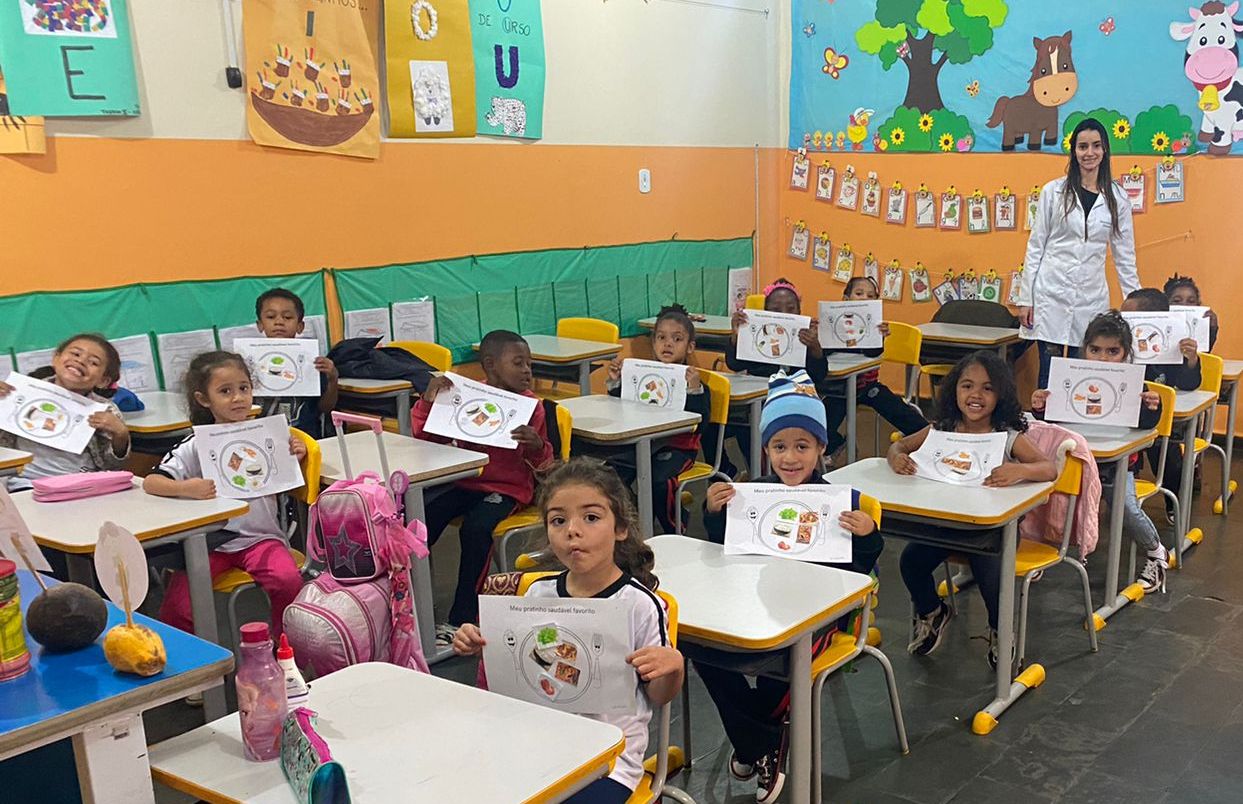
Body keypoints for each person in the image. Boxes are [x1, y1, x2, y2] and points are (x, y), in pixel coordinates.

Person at [696, 370, 881, 803]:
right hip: (759, 605)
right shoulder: (752, 493)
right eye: (779, 446)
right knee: (701, 650)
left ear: (821, 449)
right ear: (766, 450)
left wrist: (868, 533)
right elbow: (724, 547)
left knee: (784, 664)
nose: (790, 457)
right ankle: (759, 742)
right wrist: (714, 513)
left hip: (822, 616)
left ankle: (756, 744)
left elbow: (861, 568)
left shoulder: (843, 502)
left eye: (802, 446)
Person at [452, 458, 683, 804]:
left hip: (609, 761)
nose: (572, 531)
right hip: (538, 745)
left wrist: (673, 666)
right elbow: (525, 664)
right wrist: (480, 643)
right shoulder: (538, 594)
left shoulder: (639, 604)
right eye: (558, 520)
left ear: (620, 528)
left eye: (591, 517)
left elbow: (659, 695)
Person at [891, 351, 1056, 668]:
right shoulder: (943, 428)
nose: (975, 395)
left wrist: (1019, 470)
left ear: (1001, 395)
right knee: (910, 561)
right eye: (967, 386)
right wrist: (897, 457)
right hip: (947, 526)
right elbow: (899, 445)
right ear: (954, 390)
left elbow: (1049, 468)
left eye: (987, 388)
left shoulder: (1006, 436)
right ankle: (933, 612)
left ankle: (999, 629)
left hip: (993, 532)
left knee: (989, 574)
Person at [146, 351, 305, 637]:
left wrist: (297, 454)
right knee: (177, 608)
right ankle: (197, 659)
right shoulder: (196, 443)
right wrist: (186, 488)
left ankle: (283, 645)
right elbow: (152, 482)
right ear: (204, 399)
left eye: (244, 388)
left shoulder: (269, 435)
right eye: (225, 391)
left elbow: (290, 476)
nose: (237, 398)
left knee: (287, 581)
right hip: (210, 544)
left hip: (261, 538)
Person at [413, 330, 555, 644]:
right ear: (490, 365)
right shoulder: (467, 396)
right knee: (421, 520)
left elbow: (545, 465)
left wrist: (536, 445)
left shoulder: (532, 407)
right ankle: (407, 607)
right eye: (518, 363)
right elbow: (425, 437)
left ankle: (462, 618)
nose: (527, 370)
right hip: (466, 480)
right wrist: (428, 403)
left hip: (508, 489)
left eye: (529, 364)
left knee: (476, 530)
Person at [1033, 311, 1168, 592]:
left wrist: (1151, 407)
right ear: (1085, 349)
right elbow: (1051, 421)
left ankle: (1156, 552)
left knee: (1125, 506)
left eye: (1112, 351)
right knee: (1037, 495)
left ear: (1125, 353)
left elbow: (1146, 424)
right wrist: (1040, 405)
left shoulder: (1134, 384)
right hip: (1076, 459)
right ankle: (1036, 551)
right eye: (1095, 350)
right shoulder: (1070, 378)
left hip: (1116, 464)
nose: (1103, 358)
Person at [1017, 117, 1140, 388]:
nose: (1089, 153)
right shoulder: (1053, 192)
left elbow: (1124, 255)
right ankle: (1045, 417)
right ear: (1074, 151)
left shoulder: (1118, 198)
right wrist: (1026, 299)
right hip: (1050, 293)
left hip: (1090, 298)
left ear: (1105, 149)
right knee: (1049, 375)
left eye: (1096, 146)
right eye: (1083, 146)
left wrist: (1136, 305)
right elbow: (1036, 246)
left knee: (1082, 371)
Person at [599, 304, 711, 534]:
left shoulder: (694, 382)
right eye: (661, 338)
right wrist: (616, 382)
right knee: (609, 475)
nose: (668, 344)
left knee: (658, 480)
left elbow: (702, 424)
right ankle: (634, 522)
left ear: (690, 347)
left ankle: (675, 527)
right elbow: (622, 406)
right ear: (653, 342)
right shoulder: (642, 375)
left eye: (677, 339)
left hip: (677, 447)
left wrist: (694, 390)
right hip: (641, 442)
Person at [718, 278, 828, 478]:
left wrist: (815, 348)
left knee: (760, 426)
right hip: (755, 400)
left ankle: (769, 474)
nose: (784, 314)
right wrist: (737, 336)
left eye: (791, 309)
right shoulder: (758, 335)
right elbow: (735, 365)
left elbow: (819, 376)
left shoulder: (805, 337)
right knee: (718, 426)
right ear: (765, 312)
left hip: (792, 404)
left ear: (800, 312)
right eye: (776, 309)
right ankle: (729, 472)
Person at [0, 333, 131, 492]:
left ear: (103, 381)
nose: (81, 361)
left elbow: (113, 466)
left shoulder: (105, 409)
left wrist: (120, 435)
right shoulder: (21, 391)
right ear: (56, 359)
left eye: (93, 362)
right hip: (23, 481)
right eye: (75, 354)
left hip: (80, 484)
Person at [822, 277, 927, 461]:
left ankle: (924, 438)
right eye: (859, 293)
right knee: (821, 424)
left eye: (870, 296)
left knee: (900, 412)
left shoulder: (874, 326)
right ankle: (837, 443)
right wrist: (822, 335)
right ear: (846, 299)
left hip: (867, 387)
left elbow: (872, 354)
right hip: (839, 390)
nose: (864, 298)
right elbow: (827, 352)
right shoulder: (835, 323)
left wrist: (879, 337)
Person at [1122, 288, 1202, 521]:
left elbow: (1188, 383)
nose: (1122, 322)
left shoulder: (1171, 347)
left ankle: (1173, 503)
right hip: (1126, 418)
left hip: (1159, 418)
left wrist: (1191, 360)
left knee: (1165, 451)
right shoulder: (1118, 346)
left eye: (1128, 318)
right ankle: (1121, 497)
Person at [253, 288, 339, 438]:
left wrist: (333, 379)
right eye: (271, 316)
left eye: (287, 317)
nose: (279, 322)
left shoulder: (312, 362)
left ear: (300, 326)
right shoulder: (249, 361)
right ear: (260, 324)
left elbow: (325, 408)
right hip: (261, 436)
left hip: (304, 436)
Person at [1164, 273, 1217, 351]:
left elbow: (1204, 353)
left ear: (1198, 305)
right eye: (1177, 301)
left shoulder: (1201, 326)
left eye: (1191, 301)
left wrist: (1212, 329)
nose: (1184, 305)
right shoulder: (1161, 327)